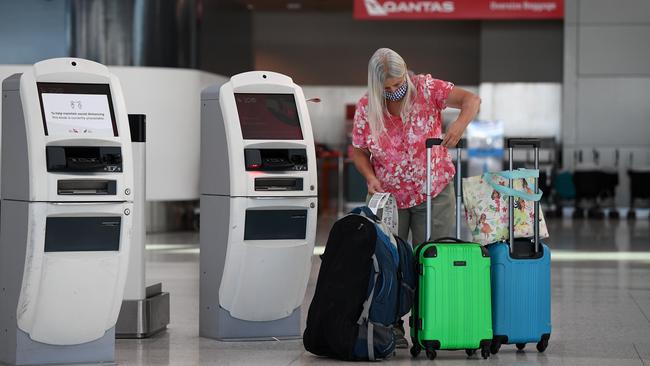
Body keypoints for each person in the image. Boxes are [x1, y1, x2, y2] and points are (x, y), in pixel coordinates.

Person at [351, 48, 480, 347]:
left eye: (398, 84)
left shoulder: (426, 88)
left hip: (433, 190)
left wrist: (459, 125)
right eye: (387, 89)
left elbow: (471, 100)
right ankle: (390, 327)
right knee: (390, 262)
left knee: (432, 259)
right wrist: (370, 177)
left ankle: (430, 324)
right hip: (389, 196)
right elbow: (358, 150)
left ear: (406, 73)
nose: (395, 92)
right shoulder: (367, 106)